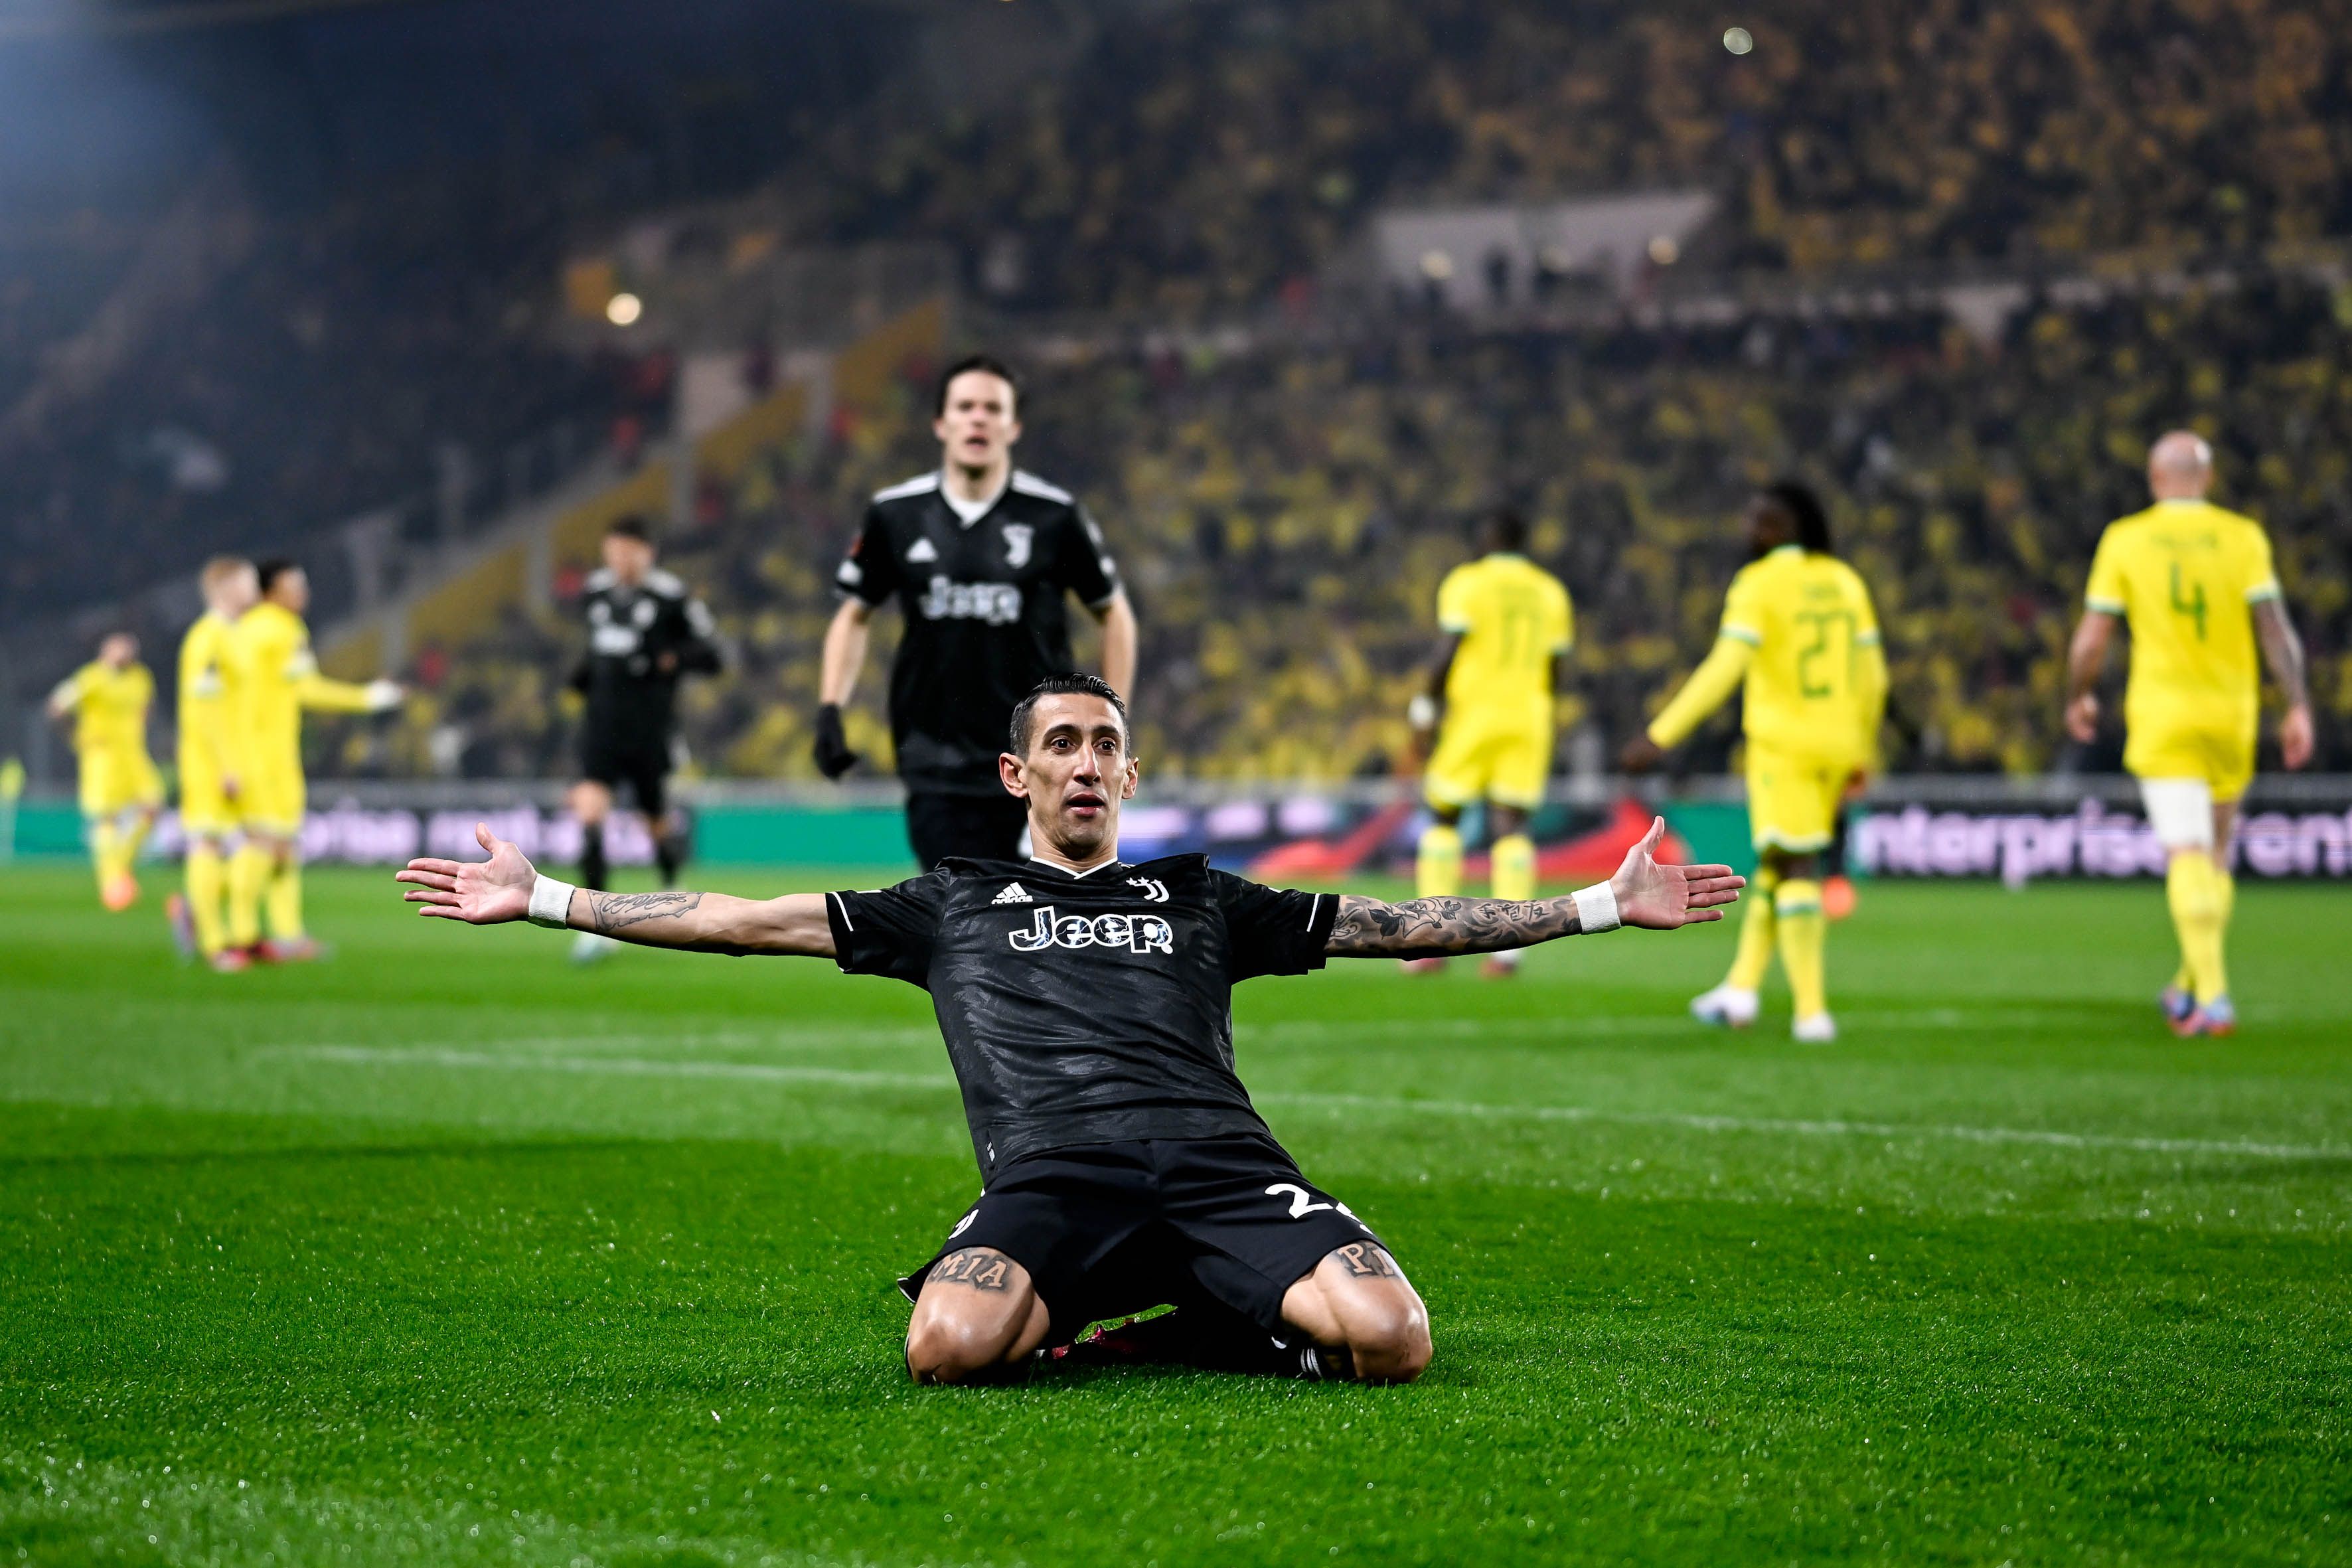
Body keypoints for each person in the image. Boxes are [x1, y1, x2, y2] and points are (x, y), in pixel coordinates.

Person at [399, 674, 1741, 1386]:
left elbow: (1395, 921)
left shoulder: (1199, 894)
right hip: (1055, 1177)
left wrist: (1596, 906)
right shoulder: (951, 901)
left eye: (1105, 743)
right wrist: (548, 896)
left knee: (1394, 1338)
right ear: (1017, 772)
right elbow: (741, 918)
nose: (1086, 761)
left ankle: (1186, 1313)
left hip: (1222, 1166)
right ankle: (1172, 1304)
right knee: (944, 1349)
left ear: (1129, 772)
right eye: (1062, 743)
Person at [816, 354, 1138, 870]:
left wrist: (1111, 721)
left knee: (1044, 904)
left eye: (993, 409)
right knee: (960, 906)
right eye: (965, 407)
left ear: (1013, 427)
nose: (978, 418)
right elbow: (854, 614)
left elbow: (1113, 613)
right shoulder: (895, 514)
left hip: (1043, 757)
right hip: (935, 757)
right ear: (941, 423)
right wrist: (831, 708)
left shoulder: (1054, 517)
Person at [2063, 431, 2314, 1037]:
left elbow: (2092, 638)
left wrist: (2077, 694)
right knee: (2216, 854)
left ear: (2155, 478)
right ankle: (2185, 980)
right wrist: (2298, 705)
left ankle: (2213, 997)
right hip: (2232, 714)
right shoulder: (2242, 536)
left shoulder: (2125, 538)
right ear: (2207, 478)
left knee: (2186, 853)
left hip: (2164, 715)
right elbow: (2274, 628)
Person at [1622, 481, 1885, 1043]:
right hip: (1839, 742)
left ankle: (1811, 1013)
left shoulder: (1759, 583)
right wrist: (1861, 748)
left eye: (1758, 521)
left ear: (1784, 527)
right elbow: (1874, 676)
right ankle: (1740, 988)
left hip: (1784, 746)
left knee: (1795, 867)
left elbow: (1725, 666)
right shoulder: (1845, 581)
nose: (1748, 530)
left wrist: (1659, 734)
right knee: (1776, 862)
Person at [1405, 506, 1575, 979]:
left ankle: (1432, 941)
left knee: (1444, 816)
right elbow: (1556, 667)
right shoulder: (1550, 591)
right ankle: (1508, 951)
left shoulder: (1468, 582)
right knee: (1512, 827)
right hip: (1529, 716)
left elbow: (1447, 650)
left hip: (1476, 715)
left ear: (1491, 536)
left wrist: (1424, 710)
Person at [223, 558, 403, 963]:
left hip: (260, 753)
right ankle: (240, 937)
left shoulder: (244, 630)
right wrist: (367, 698)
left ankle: (284, 935)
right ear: (271, 592)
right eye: (294, 586)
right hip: (264, 757)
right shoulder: (283, 630)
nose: (303, 594)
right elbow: (307, 689)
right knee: (265, 842)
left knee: (281, 846)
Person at [565, 516, 722, 964]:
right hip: (600, 729)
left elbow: (712, 655)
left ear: (647, 553)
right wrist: (584, 675)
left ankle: (673, 890)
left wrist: (671, 659)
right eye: (613, 550)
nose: (620, 559)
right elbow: (597, 650)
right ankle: (595, 925)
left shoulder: (672, 598)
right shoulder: (594, 593)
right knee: (590, 815)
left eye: (629, 551)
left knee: (655, 822)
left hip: (650, 730)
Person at [165, 556, 260, 969]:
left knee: (249, 845)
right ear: (225, 589)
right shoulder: (206, 637)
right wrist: (225, 766)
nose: (255, 589)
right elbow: (203, 713)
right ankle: (214, 943)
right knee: (207, 843)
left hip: (238, 759)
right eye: (249, 582)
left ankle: (194, 910)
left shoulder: (234, 635)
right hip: (211, 762)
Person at [46, 631, 164, 911]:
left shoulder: (141, 678)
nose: (125, 654)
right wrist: (77, 738)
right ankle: (112, 883)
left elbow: (147, 708)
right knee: (106, 818)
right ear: (105, 652)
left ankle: (120, 869)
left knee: (153, 806)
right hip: (103, 757)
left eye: (129, 650)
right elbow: (56, 707)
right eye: (118, 649)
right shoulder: (90, 678)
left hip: (133, 754)